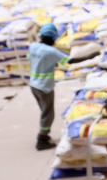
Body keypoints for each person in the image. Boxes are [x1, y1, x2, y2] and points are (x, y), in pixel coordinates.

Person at [28, 23, 98, 151]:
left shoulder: (33, 46)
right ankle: (42, 139)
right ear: (53, 39)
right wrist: (91, 57)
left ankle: (44, 135)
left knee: (44, 111)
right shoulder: (51, 51)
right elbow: (70, 61)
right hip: (44, 87)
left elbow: (32, 59)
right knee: (48, 113)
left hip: (33, 85)